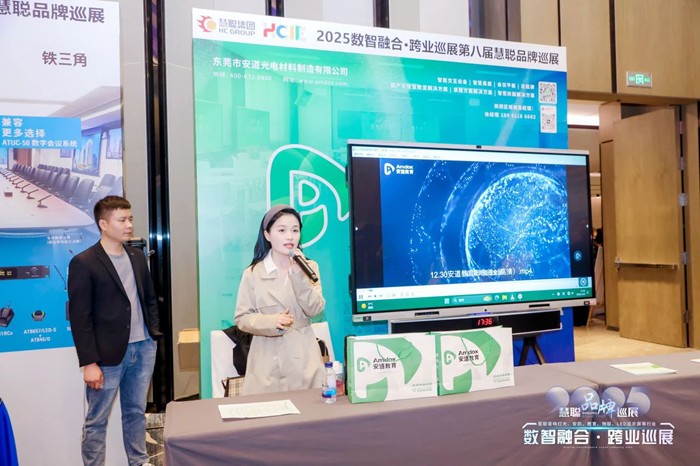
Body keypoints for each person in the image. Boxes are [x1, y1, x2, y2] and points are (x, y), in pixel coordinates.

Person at [68, 196, 162, 466]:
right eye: (122, 220)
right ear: (103, 224)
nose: (129, 225)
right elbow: (80, 318)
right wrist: (89, 362)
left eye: (130, 219)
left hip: (143, 347)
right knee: (96, 421)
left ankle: (138, 461)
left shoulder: (137, 256)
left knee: (136, 413)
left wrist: (153, 337)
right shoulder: (84, 262)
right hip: (106, 356)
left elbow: (149, 299)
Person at [234, 204, 325, 395]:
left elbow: (315, 309)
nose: (290, 237)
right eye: (282, 230)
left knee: (309, 410)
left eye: (295, 230)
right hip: (267, 362)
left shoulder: (310, 267)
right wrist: (271, 321)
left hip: (305, 359)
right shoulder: (253, 273)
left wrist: (298, 276)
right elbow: (242, 318)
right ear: (267, 235)